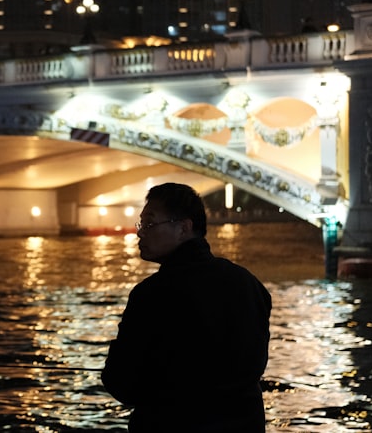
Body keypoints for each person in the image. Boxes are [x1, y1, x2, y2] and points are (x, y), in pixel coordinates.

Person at [102, 183, 272, 432]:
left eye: (149, 224)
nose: (140, 233)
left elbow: (122, 383)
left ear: (184, 228)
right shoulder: (248, 283)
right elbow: (254, 364)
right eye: (141, 224)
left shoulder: (151, 294)